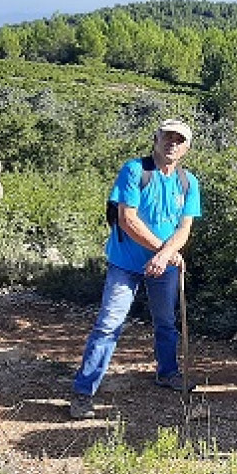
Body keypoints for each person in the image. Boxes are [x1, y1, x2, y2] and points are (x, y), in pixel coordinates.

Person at [69, 119, 202, 419]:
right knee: (108, 324)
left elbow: (185, 228)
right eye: (167, 137)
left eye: (179, 139)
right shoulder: (134, 170)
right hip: (126, 263)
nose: (172, 143)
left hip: (163, 263)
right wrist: (163, 251)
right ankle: (83, 392)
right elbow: (127, 219)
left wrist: (165, 253)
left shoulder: (188, 182)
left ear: (187, 148)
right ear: (155, 138)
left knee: (166, 322)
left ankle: (167, 373)